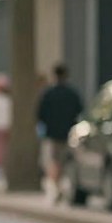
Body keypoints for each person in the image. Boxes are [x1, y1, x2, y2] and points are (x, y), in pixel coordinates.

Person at [36, 64, 83, 202]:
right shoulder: (73, 93)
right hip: (68, 134)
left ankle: (57, 187)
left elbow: (40, 114)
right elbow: (79, 110)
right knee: (64, 161)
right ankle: (61, 186)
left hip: (52, 134)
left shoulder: (48, 93)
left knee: (53, 161)